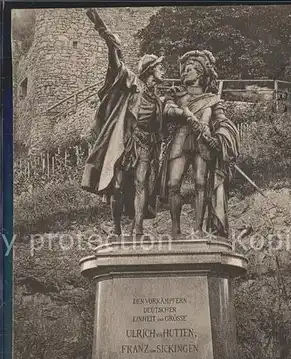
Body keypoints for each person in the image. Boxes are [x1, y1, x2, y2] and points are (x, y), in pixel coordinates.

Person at [81, 9, 165, 236]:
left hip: (146, 144)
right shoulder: (131, 81)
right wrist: (103, 30)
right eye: (158, 67)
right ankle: (117, 229)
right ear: (149, 70)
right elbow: (115, 62)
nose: (162, 70)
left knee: (141, 184)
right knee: (117, 187)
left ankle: (137, 229)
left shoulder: (158, 99)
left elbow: (167, 117)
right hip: (126, 140)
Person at [160, 50, 240, 238]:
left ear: (200, 74)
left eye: (190, 70)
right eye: (184, 69)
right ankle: (175, 230)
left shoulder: (212, 99)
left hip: (202, 142)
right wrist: (185, 115)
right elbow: (167, 109)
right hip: (181, 139)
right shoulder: (177, 95)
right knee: (173, 184)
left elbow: (222, 121)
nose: (184, 73)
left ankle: (198, 229)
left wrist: (219, 137)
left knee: (201, 183)